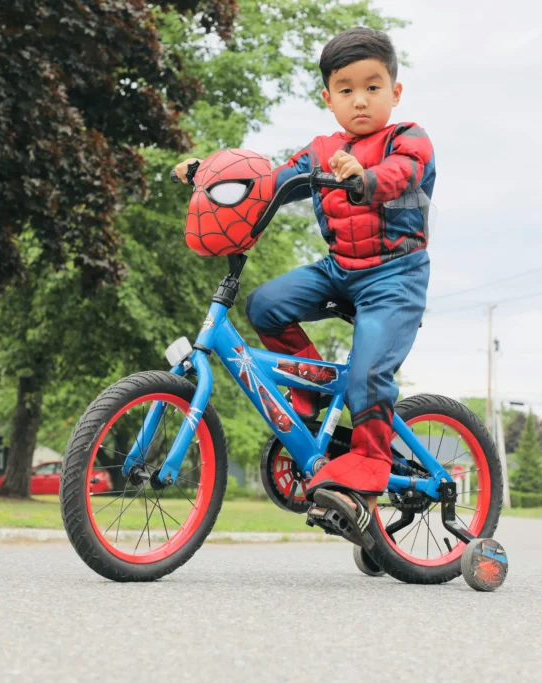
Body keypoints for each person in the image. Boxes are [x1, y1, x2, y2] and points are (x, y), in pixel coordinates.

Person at [175, 27, 434, 543]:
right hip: (340, 269)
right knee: (265, 305)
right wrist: (209, 175)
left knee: (367, 375)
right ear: (328, 98)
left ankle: (367, 462)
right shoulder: (320, 150)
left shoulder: (408, 139)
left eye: (373, 86)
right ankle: (309, 389)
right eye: (346, 89)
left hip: (395, 277)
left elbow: (402, 174)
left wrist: (361, 175)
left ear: (395, 92)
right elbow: (270, 180)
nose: (360, 99)